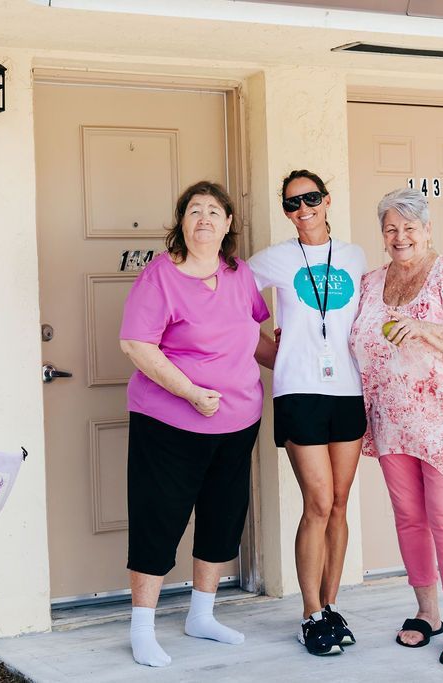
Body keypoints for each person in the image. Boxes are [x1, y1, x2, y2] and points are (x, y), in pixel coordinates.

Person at [119, 180, 269, 668]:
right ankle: (142, 628)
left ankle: (201, 615)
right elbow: (137, 345)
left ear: (228, 224)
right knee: (158, 518)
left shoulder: (240, 273)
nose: (204, 218)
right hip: (169, 422)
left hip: (238, 420)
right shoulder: (159, 277)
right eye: (194, 211)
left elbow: (257, 337)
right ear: (181, 222)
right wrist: (190, 392)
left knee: (223, 515)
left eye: (214, 211)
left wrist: (303, 362)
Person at [349, 187, 443, 667]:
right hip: (390, 419)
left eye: (409, 227)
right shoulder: (369, 282)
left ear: (427, 230)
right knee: (408, 518)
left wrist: (426, 329)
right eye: (391, 228)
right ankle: (427, 612)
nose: (400, 236)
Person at [249, 170, 368, 657]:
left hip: (348, 389)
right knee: (317, 502)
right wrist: (272, 355)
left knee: (339, 502)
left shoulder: (356, 256)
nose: (304, 209)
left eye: (311, 199)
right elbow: (233, 310)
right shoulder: (273, 259)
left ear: (327, 200)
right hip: (299, 391)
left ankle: (331, 606)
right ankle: (310, 613)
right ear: (285, 210)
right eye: (293, 203)